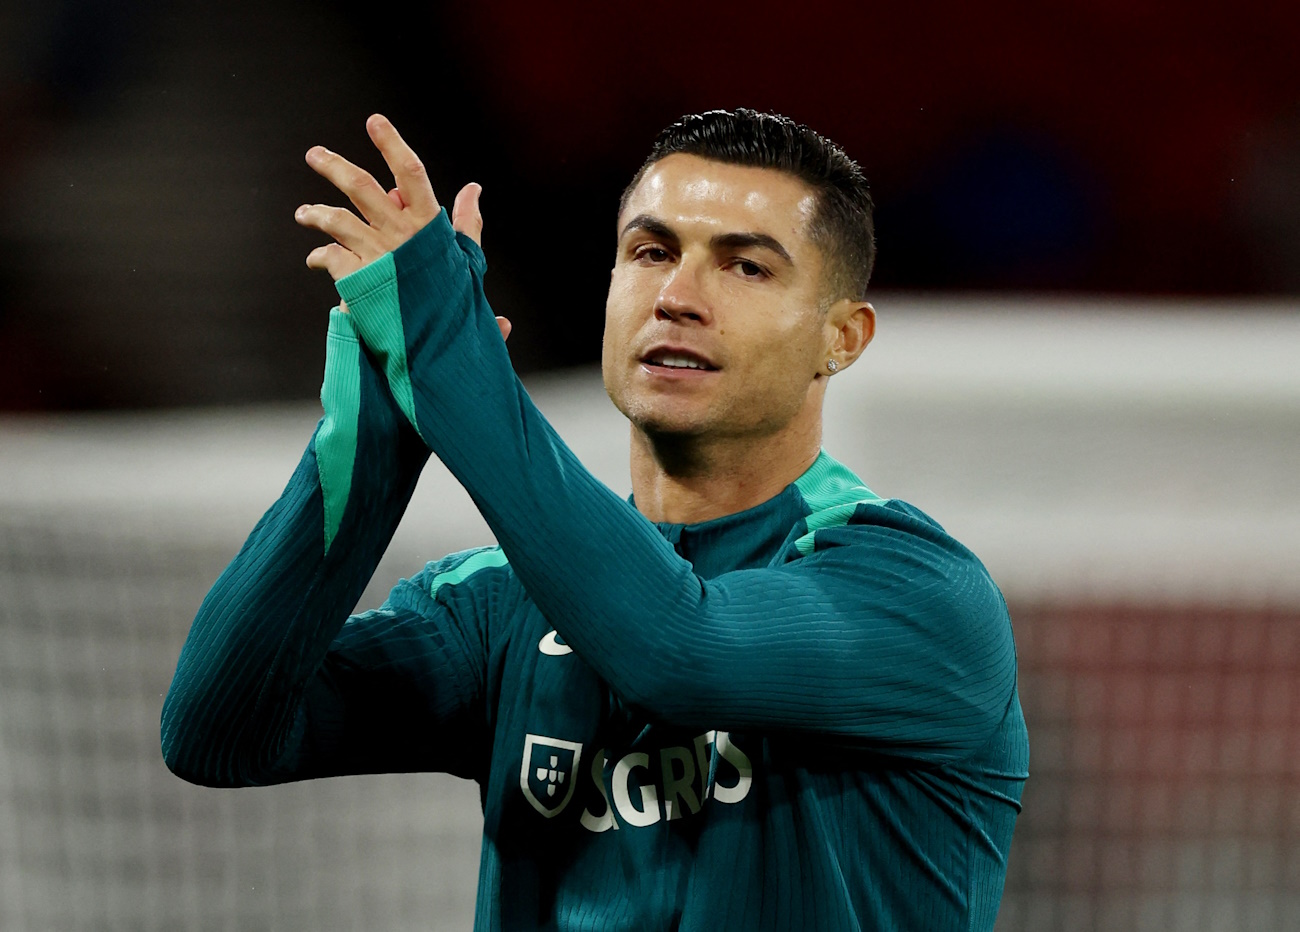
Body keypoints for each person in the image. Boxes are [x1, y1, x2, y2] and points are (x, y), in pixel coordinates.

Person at [162, 108, 1028, 931]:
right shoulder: (497, 606)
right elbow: (217, 733)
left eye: (746, 265)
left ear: (842, 338)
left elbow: (676, 649)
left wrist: (445, 355)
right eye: (651, 251)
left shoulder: (914, 591)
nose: (679, 296)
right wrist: (375, 445)